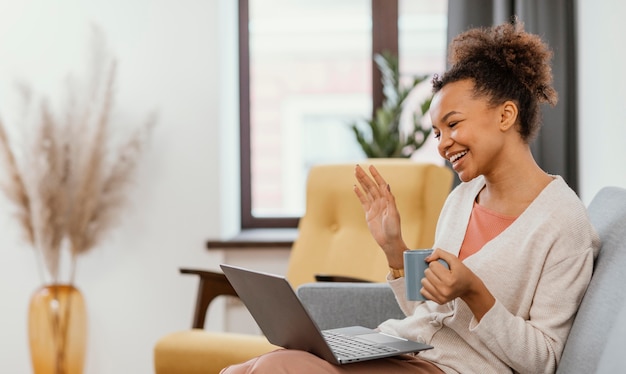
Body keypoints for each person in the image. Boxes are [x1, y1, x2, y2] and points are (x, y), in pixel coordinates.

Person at [221, 20, 600, 374]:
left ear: (505, 116)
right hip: (402, 347)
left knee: (280, 369)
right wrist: (394, 249)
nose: (443, 144)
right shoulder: (463, 198)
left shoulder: (563, 222)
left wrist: (477, 294)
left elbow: (546, 360)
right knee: (245, 368)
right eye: (437, 132)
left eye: (452, 124)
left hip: (451, 369)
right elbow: (429, 312)